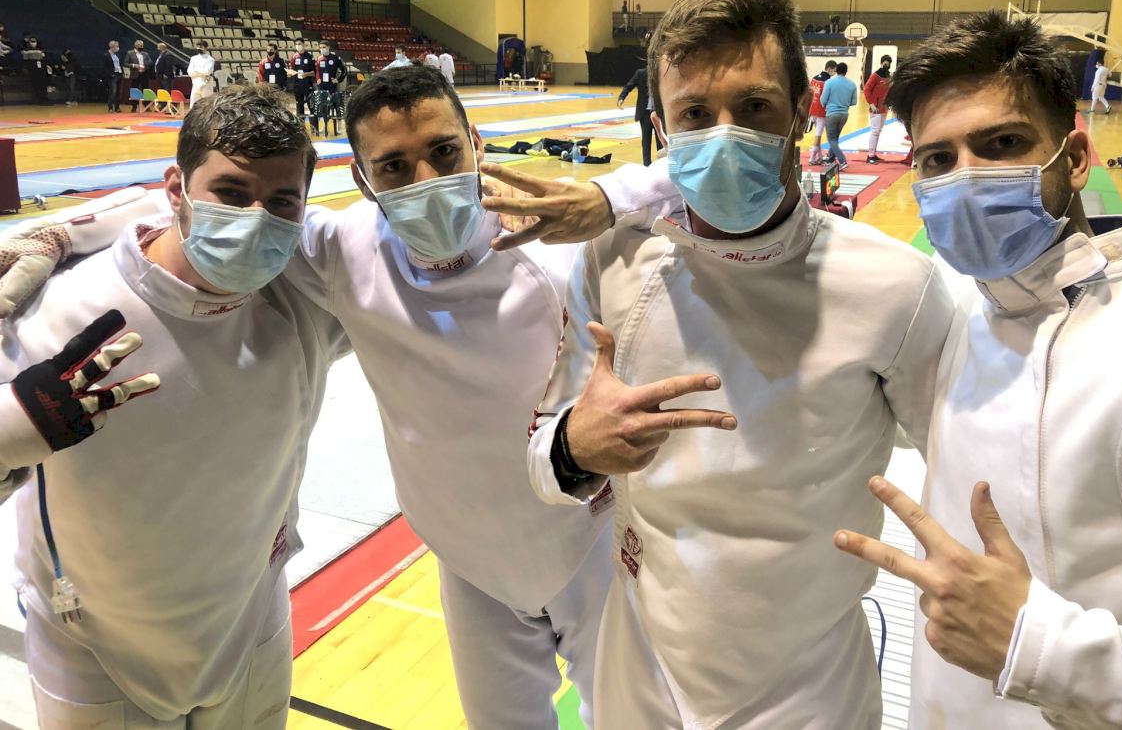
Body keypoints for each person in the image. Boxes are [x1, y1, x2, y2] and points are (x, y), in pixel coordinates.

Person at [6, 69, 680, 730]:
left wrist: (607, 195)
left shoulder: (559, 244)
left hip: (584, 543)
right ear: (361, 180)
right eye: (393, 167)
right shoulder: (341, 251)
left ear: (476, 143)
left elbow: (701, 178)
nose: (425, 182)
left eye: (445, 153)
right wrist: (63, 231)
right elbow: (211, 202)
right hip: (467, 559)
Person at [527, 0, 954, 730]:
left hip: (808, 685)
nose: (724, 136)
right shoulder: (613, 262)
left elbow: (963, 469)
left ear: (800, 114)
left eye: (754, 108)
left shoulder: (895, 286)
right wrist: (572, 448)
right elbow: (542, 455)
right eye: (695, 114)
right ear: (661, 128)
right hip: (642, 664)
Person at [834, 9, 1122, 729]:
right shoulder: (972, 304)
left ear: (1075, 158)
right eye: (938, 160)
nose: (966, 178)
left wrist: (1042, 650)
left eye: (1000, 144)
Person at [0, 85, 345, 729]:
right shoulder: (54, 309)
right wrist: (9, 433)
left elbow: (412, 252)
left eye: (281, 202)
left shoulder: (305, 301)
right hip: (93, 640)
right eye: (231, 193)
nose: (256, 220)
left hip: (250, 616)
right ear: (175, 189)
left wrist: (74, 225)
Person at [820, 61, 857, 169]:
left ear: (836, 70)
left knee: (831, 139)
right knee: (835, 138)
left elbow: (823, 99)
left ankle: (842, 161)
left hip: (832, 114)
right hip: (844, 115)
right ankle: (831, 159)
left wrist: (827, 104)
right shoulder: (852, 84)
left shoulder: (829, 82)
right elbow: (854, 102)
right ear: (846, 71)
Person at [617, 66, 658, 166]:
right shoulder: (641, 73)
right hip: (645, 113)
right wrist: (621, 98)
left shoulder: (661, 73)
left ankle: (661, 164)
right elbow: (628, 86)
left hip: (658, 113)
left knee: (661, 141)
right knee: (646, 141)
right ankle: (646, 165)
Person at [863, 53, 892, 164]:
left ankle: (873, 154)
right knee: (875, 131)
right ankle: (870, 155)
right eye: (885, 62)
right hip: (875, 108)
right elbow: (866, 89)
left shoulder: (889, 76)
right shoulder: (875, 75)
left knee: (878, 131)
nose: (886, 65)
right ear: (881, 63)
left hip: (884, 108)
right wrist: (871, 104)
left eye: (888, 63)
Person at [807, 59, 836, 165]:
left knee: (818, 133)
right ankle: (812, 158)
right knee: (818, 134)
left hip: (812, 108)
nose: (834, 73)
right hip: (821, 110)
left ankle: (819, 157)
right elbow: (828, 97)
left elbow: (809, 93)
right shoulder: (828, 81)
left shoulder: (814, 78)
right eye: (834, 71)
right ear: (829, 69)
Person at [313, 43, 346, 137]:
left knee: (337, 105)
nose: (322, 49)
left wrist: (338, 80)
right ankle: (325, 126)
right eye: (320, 47)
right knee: (323, 106)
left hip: (332, 86)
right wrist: (317, 79)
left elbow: (344, 70)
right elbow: (317, 71)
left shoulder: (335, 58)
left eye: (324, 47)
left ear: (328, 47)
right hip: (322, 86)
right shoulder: (319, 58)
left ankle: (339, 126)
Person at [290, 39, 316, 129]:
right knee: (299, 107)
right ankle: (301, 128)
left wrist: (306, 74)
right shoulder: (294, 57)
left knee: (311, 106)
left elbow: (314, 73)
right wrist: (289, 73)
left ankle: (314, 128)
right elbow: (292, 70)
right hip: (297, 85)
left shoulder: (310, 56)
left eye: (299, 44)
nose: (298, 45)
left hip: (308, 85)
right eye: (296, 44)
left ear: (304, 44)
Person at [186, 41, 216, 106]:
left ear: (206, 48)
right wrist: (202, 72)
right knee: (193, 105)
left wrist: (195, 70)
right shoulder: (193, 58)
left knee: (207, 105)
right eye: (198, 46)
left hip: (206, 84)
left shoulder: (210, 59)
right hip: (195, 84)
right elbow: (190, 72)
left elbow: (207, 71)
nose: (199, 48)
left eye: (201, 46)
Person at [125, 40, 151, 111]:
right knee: (134, 90)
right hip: (135, 74)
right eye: (140, 45)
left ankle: (147, 106)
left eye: (142, 45)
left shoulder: (145, 54)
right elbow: (125, 63)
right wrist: (134, 65)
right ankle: (134, 106)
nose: (141, 47)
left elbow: (150, 62)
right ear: (136, 46)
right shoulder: (130, 53)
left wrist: (145, 66)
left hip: (144, 74)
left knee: (146, 90)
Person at [22, 35, 48, 105]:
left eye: (34, 41)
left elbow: (43, 58)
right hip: (32, 69)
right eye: (32, 41)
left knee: (43, 84)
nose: (33, 43)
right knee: (35, 85)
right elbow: (25, 60)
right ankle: (38, 100)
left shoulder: (40, 49)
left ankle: (44, 99)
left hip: (40, 68)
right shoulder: (26, 50)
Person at [1088, 51, 1111, 115]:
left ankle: (1092, 110)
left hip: (1098, 85)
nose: (1096, 65)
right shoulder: (1106, 69)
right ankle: (1108, 106)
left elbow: (1096, 80)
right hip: (1104, 85)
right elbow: (1110, 75)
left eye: (1097, 64)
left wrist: (1093, 87)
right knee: (1101, 97)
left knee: (1094, 97)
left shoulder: (1098, 71)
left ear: (1100, 64)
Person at [104, 40, 123, 113]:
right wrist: (111, 74)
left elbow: (119, 64)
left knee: (118, 92)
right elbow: (105, 67)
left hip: (119, 74)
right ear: (112, 47)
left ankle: (117, 107)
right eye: (116, 46)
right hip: (113, 75)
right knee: (113, 91)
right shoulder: (106, 55)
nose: (118, 48)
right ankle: (110, 107)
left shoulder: (117, 55)